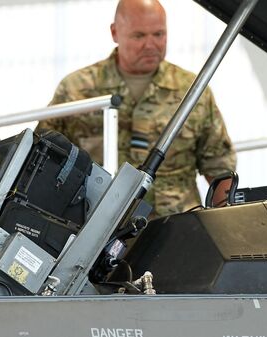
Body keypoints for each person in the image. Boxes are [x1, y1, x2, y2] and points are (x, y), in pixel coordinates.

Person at [36, 0, 236, 218]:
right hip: (97, 226)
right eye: (139, 36)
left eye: (158, 34)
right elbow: (43, 157)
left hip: (177, 227)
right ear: (115, 32)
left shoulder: (193, 91)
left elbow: (219, 168)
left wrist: (226, 224)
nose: (150, 44)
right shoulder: (76, 90)